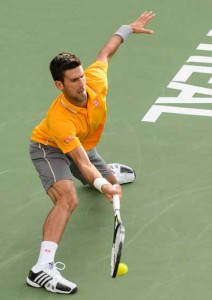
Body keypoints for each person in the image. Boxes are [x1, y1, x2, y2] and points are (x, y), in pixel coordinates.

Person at [26, 11, 155, 295]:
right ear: (59, 85)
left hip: (81, 145)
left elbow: (105, 53)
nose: (81, 84)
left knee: (107, 179)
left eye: (81, 76)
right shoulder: (60, 118)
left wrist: (128, 29)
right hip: (50, 149)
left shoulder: (94, 81)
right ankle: (41, 269)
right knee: (68, 198)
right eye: (73, 81)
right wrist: (102, 183)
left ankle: (105, 175)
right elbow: (81, 162)